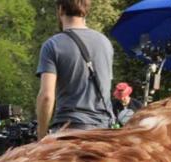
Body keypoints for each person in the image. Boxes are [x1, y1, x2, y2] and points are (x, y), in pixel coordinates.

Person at [35, 0, 114, 138]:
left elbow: (47, 96)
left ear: (60, 9)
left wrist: (41, 134)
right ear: (86, 10)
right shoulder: (105, 43)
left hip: (70, 131)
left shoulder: (52, 45)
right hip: (103, 132)